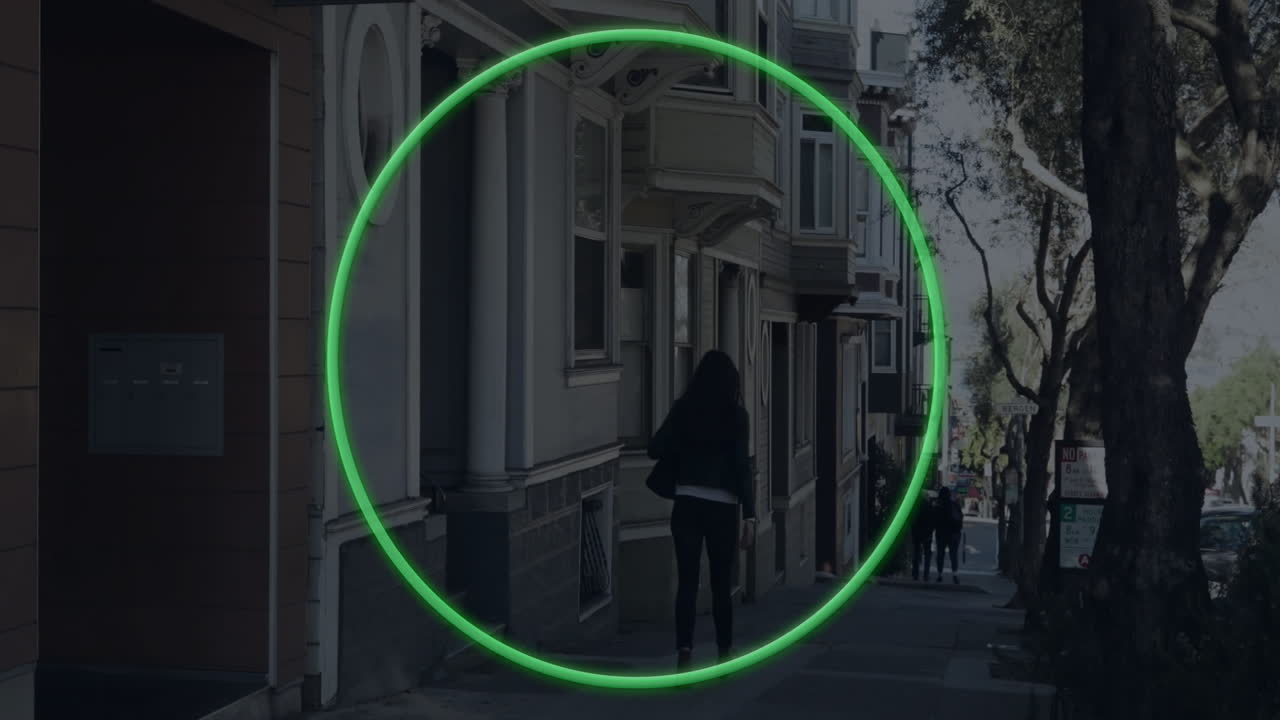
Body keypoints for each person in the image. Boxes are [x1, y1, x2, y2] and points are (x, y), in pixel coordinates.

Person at [648, 350, 756, 671]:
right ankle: (724, 652)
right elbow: (741, 467)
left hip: (687, 502)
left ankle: (684, 651)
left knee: (687, 581)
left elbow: (656, 448)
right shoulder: (737, 416)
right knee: (721, 583)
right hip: (723, 507)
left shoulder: (684, 410)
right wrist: (749, 513)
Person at [933, 486, 963, 583]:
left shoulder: (939, 506)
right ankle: (955, 574)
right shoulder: (955, 505)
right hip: (954, 533)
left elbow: (935, 520)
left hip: (941, 533)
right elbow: (960, 518)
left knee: (940, 554)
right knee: (953, 555)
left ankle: (939, 574)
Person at [911, 490, 935, 581]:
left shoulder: (915, 507)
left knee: (916, 554)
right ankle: (926, 574)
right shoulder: (929, 507)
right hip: (927, 534)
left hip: (917, 534)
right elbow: (933, 521)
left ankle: (915, 574)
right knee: (927, 555)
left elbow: (912, 521)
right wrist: (930, 531)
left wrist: (913, 531)